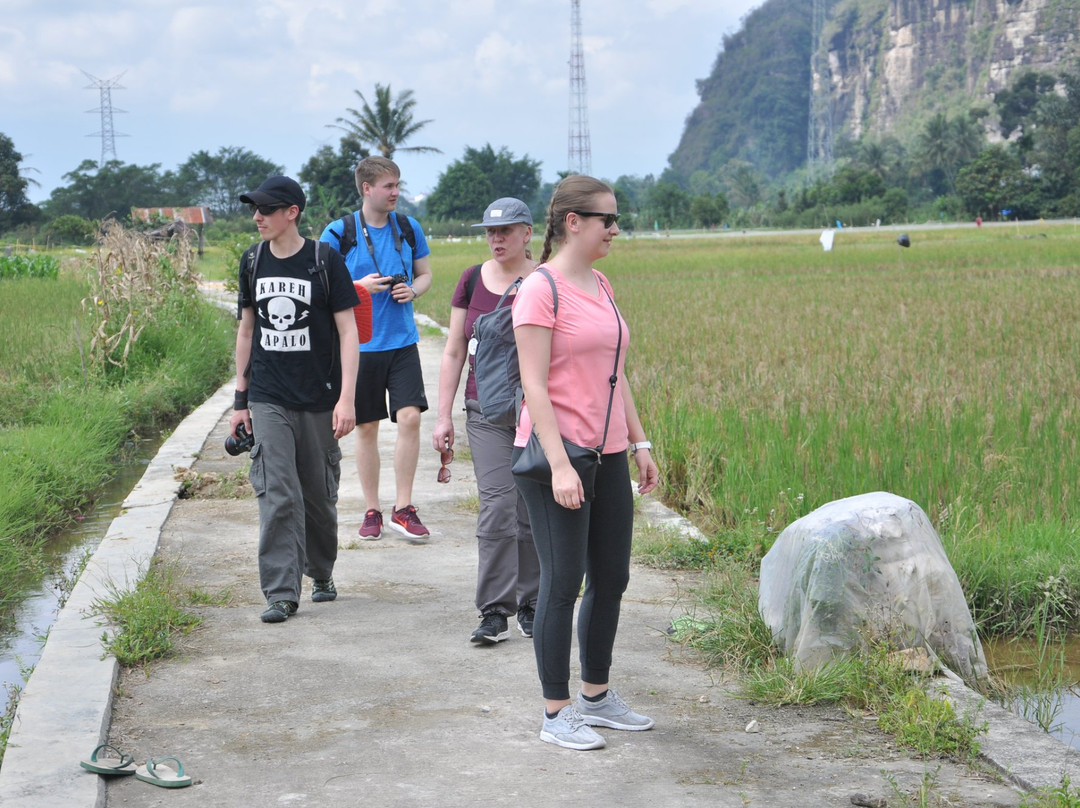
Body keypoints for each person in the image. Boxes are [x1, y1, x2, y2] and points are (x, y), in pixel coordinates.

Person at [512, 175, 660, 750]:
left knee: (612, 577)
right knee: (562, 582)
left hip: (611, 452)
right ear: (573, 222)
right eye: (607, 220)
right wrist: (559, 466)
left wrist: (640, 444)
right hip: (560, 457)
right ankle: (556, 712)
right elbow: (534, 385)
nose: (615, 229)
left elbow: (615, 373)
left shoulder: (600, 282)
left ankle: (596, 697)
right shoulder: (539, 290)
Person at [230, 175, 360, 623]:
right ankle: (282, 592)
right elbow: (247, 330)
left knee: (318, 495)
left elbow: (348, 331)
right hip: (268, 395)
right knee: (277, 492)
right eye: (255, 210)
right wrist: (240, 401)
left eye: (266, 210)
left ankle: (320, 570)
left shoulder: (324, 260)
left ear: (292, 212)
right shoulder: (252, 261)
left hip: (320, 396)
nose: (257, 217)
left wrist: (346, 398)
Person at [432, 198, 541, 644]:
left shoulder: (547, 280)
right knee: (497, 506)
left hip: (539, 416)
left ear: (527, 233)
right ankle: (495, 610)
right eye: (490, 232)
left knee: (533, 509)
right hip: (487, 412)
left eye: (506, 231)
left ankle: (534, 603)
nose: (496, 239)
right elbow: (455, 349)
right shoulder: (472, 279)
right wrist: (443, 415)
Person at [320, 157, 434, 541]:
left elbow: (425, 274)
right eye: (389, 186)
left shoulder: (408, 227)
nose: (396, 192)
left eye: (398, 185)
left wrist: (412, 290)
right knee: (366, 427)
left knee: (411, 418)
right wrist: (359, 289)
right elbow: (322, 291)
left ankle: (404, 507)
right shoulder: (338, 233)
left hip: (402, 340)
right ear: (366, 188)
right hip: (361, 345)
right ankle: (373, 509)